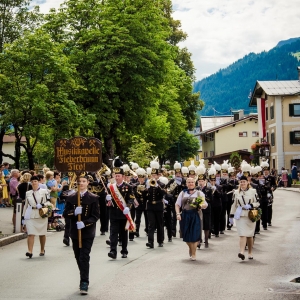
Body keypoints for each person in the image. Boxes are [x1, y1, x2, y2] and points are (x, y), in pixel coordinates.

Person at [63, 175, 100, 295]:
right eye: (79, 182)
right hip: (75, 232)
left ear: (88, 183)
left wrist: (85, 223)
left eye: (84, 181)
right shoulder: (71, 197)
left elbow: (95, 216)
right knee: (78, 256)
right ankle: (83, 273)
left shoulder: (93, 198)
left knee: (84, 256)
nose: (81, 183)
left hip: (87, 232)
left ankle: (84, 282)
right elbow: (65, 214)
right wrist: (73, 212)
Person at [106, 157, 135, 259]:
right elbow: (108, 203)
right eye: (115, 176)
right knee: (113, 233)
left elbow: (131, 199)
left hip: (123, 213)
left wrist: (128, 207)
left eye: (118, 176)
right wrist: (107, 199)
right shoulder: (111, 187)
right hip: (113, 213)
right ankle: (113, 251)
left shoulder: (128, 187)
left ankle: (124, 251)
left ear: (123, 176)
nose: (117, 177)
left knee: (123, 233)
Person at [175, 177, 207, 260]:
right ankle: (191, 248)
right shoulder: (182, 193)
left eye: (192, 182)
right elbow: (177, 204)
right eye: (189, 182)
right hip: (185, 215)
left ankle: (194, 253)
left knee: (195, 234)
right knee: (185, 234)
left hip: (195, 215)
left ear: (195, 183)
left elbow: (205, 204)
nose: (190, 184)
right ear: (186, 184)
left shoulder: (199, 193)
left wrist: (201, 205)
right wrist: (178, 213)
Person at [229, 176, 259, 260]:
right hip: (240, 215)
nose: (242, 183)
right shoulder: (236, 192)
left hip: (250, 215)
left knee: (250, 235)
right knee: (242, 234)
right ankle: (241, 252)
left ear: (247, 182)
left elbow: (257, 202)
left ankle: (250, 252)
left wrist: (251, 205)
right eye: (241, 182)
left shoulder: (253, 191)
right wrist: (231, 216)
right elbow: (234, 204)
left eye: (244, 182)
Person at [22, 175, 50, 258]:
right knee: (30, 233)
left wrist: (42, 204)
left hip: (41, 214)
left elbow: (49, 203)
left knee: (42, 233)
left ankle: (42, 249)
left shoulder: (44, 191)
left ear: (38, 182)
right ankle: (30, 251)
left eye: (35, 181)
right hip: (31, 214)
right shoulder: (28, 193)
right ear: (30, 183)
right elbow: (26, 205)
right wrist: (23, 218)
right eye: (32, 181)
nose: (34, 183)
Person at [145, 159, 166, 248]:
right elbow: (145, 196)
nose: (153, 177)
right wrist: (147, 189)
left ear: (158, 175)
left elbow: (163, 194)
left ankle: (160, 240)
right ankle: (150, 242)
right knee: (151, 224)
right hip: (150, 205)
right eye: (152, 175)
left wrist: (157, 186)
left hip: (158, 205)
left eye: (155, 175)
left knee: (160, 223)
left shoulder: (162, 184)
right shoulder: (148, 184)